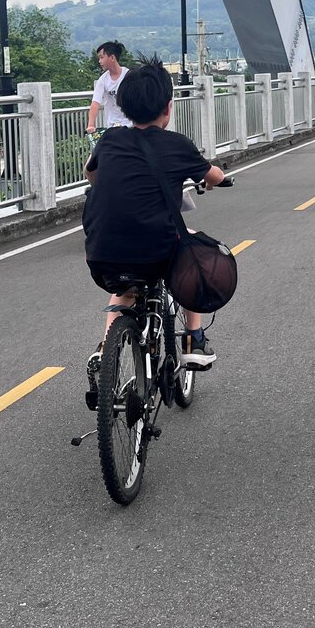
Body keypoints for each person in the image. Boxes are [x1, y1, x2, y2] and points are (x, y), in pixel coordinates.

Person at [83, 56, 227, 380]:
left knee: (125, 287)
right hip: (156, 250)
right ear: (168, 107)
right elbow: (213, 175)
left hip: (102, 252)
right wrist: (222, 179)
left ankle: (107, 347)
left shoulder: (110, 140)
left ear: (124, 105)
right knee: (191, 257)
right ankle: (194, 339)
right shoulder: (177, 145)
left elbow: (90, 172)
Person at [86, 41, 132, 135]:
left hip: (131, 126)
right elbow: (95, 103)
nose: (100, 61)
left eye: (102, 57)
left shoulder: (129, 76)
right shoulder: (103, 80)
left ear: (112, 58)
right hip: (112, 128)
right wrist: (91, 125)